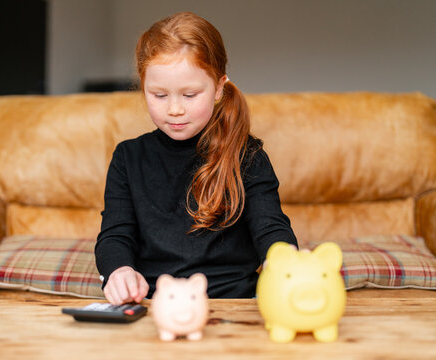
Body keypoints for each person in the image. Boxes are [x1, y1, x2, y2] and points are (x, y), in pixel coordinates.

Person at [95, 12, 297, 305]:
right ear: (143, 87)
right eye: (159, 95)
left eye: (190, 95)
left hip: (234, 302)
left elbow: (271, 227)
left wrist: (282, 259)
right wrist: (119, 270)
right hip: (155, 303)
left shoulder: (247, 154)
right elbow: (115, 235)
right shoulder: (128, 158)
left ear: (218, 88)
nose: (174, 109)